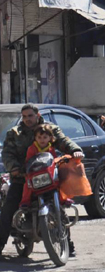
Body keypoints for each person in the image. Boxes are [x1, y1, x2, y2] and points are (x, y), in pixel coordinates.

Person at [0, 104, 83, 257]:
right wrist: (14, 168)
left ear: (37, 115)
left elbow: (63, 141)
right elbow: (7, 154)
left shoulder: (49, 129)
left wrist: (75, 150)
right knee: (8, 208)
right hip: (23, 179)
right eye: (24, 116)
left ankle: (67, 243)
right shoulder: (15, 133)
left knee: (59, 206)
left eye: (30, 116)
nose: (27, 119)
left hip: (48, 177)